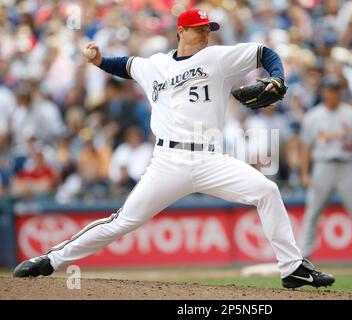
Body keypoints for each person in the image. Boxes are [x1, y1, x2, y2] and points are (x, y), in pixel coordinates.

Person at [13, 9, 334, 289]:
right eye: (200, 28)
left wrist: (277, 78)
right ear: (181, 30)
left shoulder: (217, 57)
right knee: (122, 221)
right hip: (168, 161)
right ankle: (51, 260)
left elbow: (265, 53)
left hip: (211, 158)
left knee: (266, 190)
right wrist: (99, 61)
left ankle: (292, 269)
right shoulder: (155, 65)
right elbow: (125, 65)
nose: (207, 33)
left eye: (209, 29)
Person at [300, 75, 352, 263]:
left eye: (336, 90)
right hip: (322, 166)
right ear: (324, 92)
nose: (333, 93)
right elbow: (305, 147)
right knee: (313, 212)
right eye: (330, 90)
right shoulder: (314, 116)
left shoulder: (351, 114)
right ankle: (303, 254)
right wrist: (305, 173)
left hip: (346, 166)